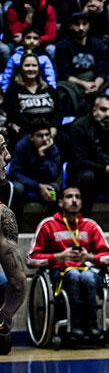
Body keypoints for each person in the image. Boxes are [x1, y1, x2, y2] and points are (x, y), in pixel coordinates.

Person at [26, 184, 109, 342]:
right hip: (60, 273)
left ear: (81, 203)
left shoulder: (91, 226)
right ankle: (73, 326)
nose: (74, 200)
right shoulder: (47, 225)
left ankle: (92, 325)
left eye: (77, 197)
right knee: (73, 274)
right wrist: (59, 256)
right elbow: (31, 260)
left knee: (88, 277)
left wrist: (89, 258)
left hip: (87, 270)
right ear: (60, 202)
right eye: (69, 197)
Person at [7, 120, 63, 225]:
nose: (45, 139)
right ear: (31, 137)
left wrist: (42, 156)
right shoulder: (21, 146)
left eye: (47, 135)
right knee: (17, 189)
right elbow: (14, 173)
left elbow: (52, 175)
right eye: (40, 136)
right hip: (25, 182)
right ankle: (16, 225)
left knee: (54, 189)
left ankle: (56, 225)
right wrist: (37, 186)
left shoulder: (52, 148)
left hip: (44, 182)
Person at [0, 133, 27, 355]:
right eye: (0, 150)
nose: (7, 156)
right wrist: (5, 316)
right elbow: (17, 282)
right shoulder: (2, 215)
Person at [55, 11, 107, 115]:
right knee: (64, 96)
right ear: (70, 26)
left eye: (84, 24)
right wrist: (84, 84)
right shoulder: (63, 46)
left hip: (94, 82)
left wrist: (95, 85)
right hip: (72, 82)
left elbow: (102, 72)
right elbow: (65, 75)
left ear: (89, 25)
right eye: (77, 24)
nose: (81, 28)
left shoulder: (98, 44)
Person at [3, 51, 59, 137]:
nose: (31, 69)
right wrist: (35, 131)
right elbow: (14, 113)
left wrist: (53, 126)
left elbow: (58, 110)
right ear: (21, 68)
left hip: (50, 132)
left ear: (39, 68)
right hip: (26, 132)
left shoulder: (49, 89)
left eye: (34, 65)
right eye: (27, 65)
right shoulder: (13, 90)